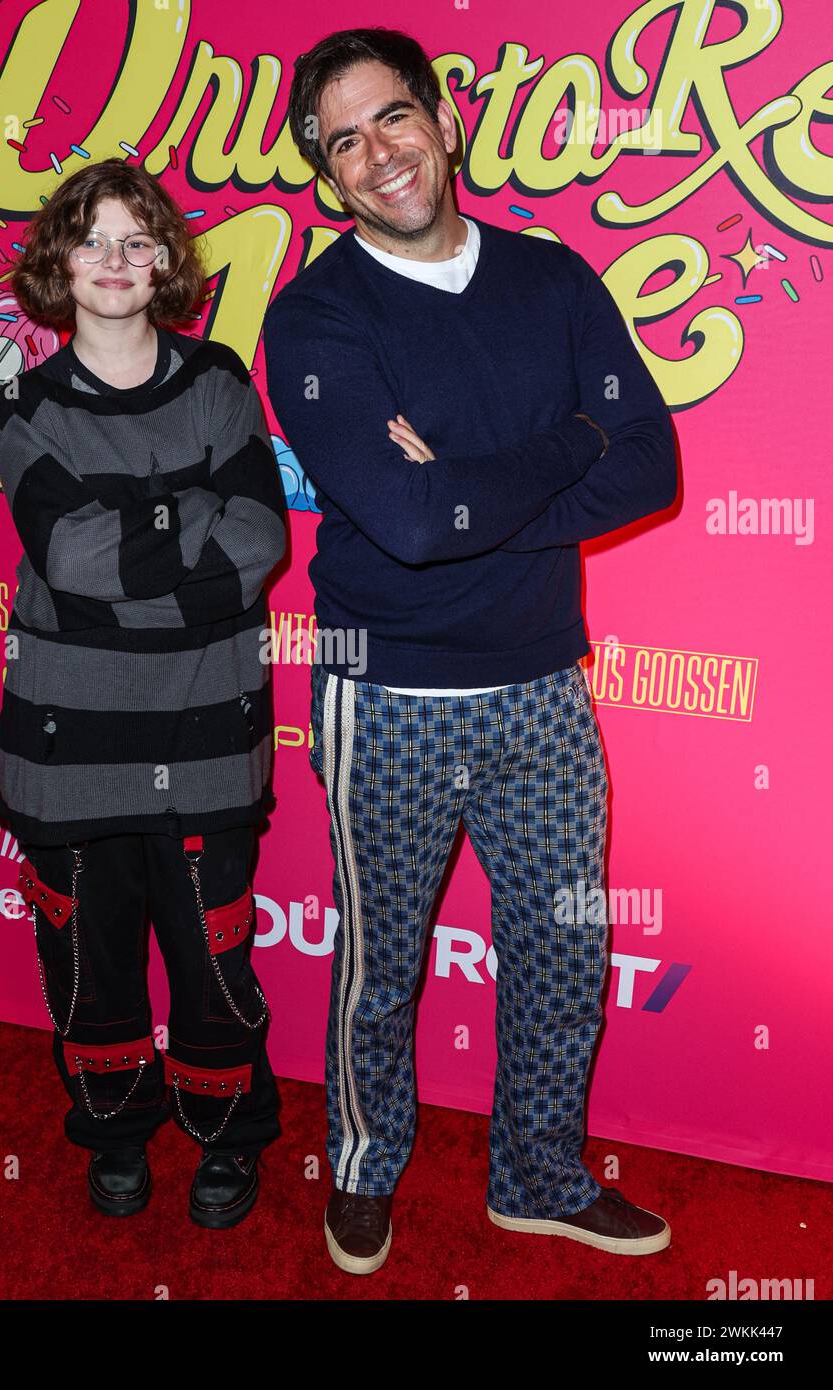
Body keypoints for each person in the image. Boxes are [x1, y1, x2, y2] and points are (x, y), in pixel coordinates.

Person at [263, 27, 678, 1272]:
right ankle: (363, 1165)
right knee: (379, 963)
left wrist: (474, 485)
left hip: (545, 683)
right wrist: (565, 443)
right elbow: (403, 522)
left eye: (390, 117)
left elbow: (647, 463)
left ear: (441, 120)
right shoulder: (314, 317)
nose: (375, 153)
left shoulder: (551, 281)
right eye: (342, 140)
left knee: (563, 942)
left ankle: (537, 1174)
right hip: (384, 689)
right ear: (327, 174)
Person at [0, 158, 288, 1227]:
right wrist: (183, 540)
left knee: (215, 963)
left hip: (207, 739)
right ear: (59, 263)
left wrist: (138, 561)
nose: (114, 262)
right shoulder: (26, 399)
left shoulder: (218, 383)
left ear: (163, 261)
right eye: (91, 239)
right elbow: (68, 558)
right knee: (85, 959)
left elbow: (255, 544)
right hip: (69, 753)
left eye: (136, 240)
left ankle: (224, 1133)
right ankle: (113, 1127)